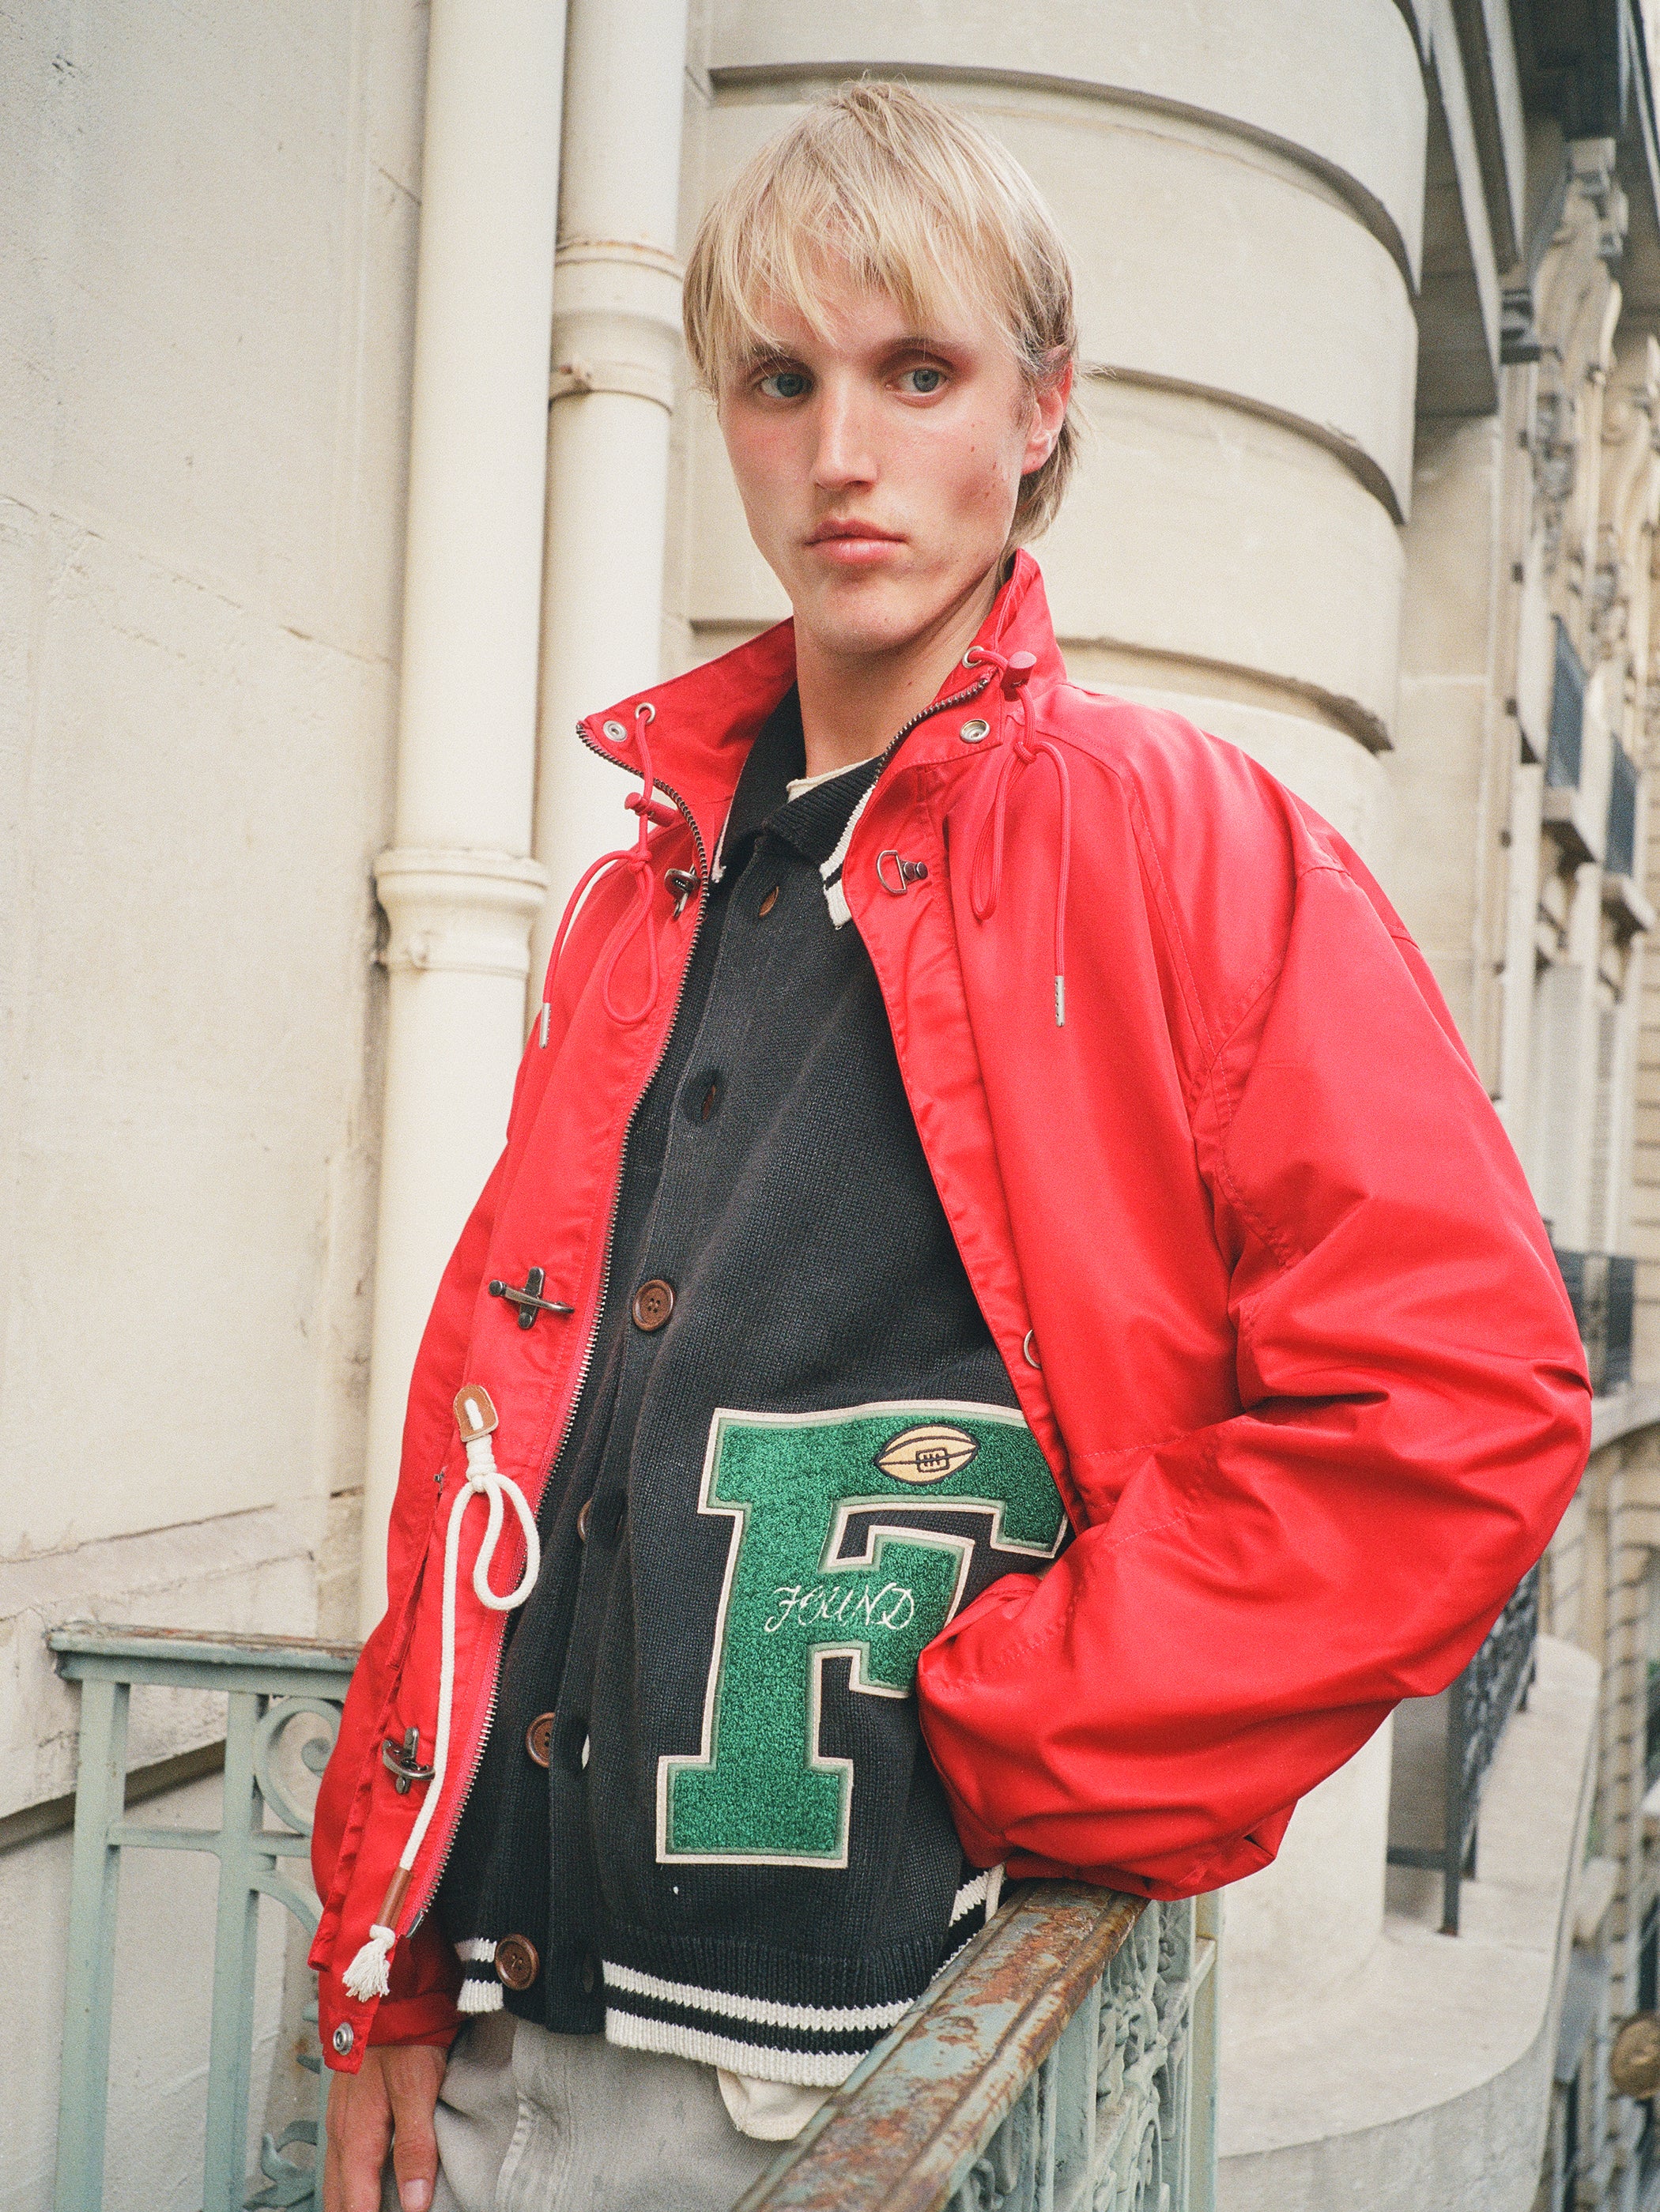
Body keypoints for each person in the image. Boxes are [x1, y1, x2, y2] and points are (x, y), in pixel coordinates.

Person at [315, 81, 1590, 2212]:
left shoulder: (1178, 837)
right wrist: (384, 1949)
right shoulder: (647, 893)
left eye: (918, 373)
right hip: (511, 2013)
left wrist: (1005, 1721)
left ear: (1038, 411)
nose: (839, 454)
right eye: (778, 378)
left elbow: (1460, 1404)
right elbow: (500, 1445)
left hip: (849, 2070)